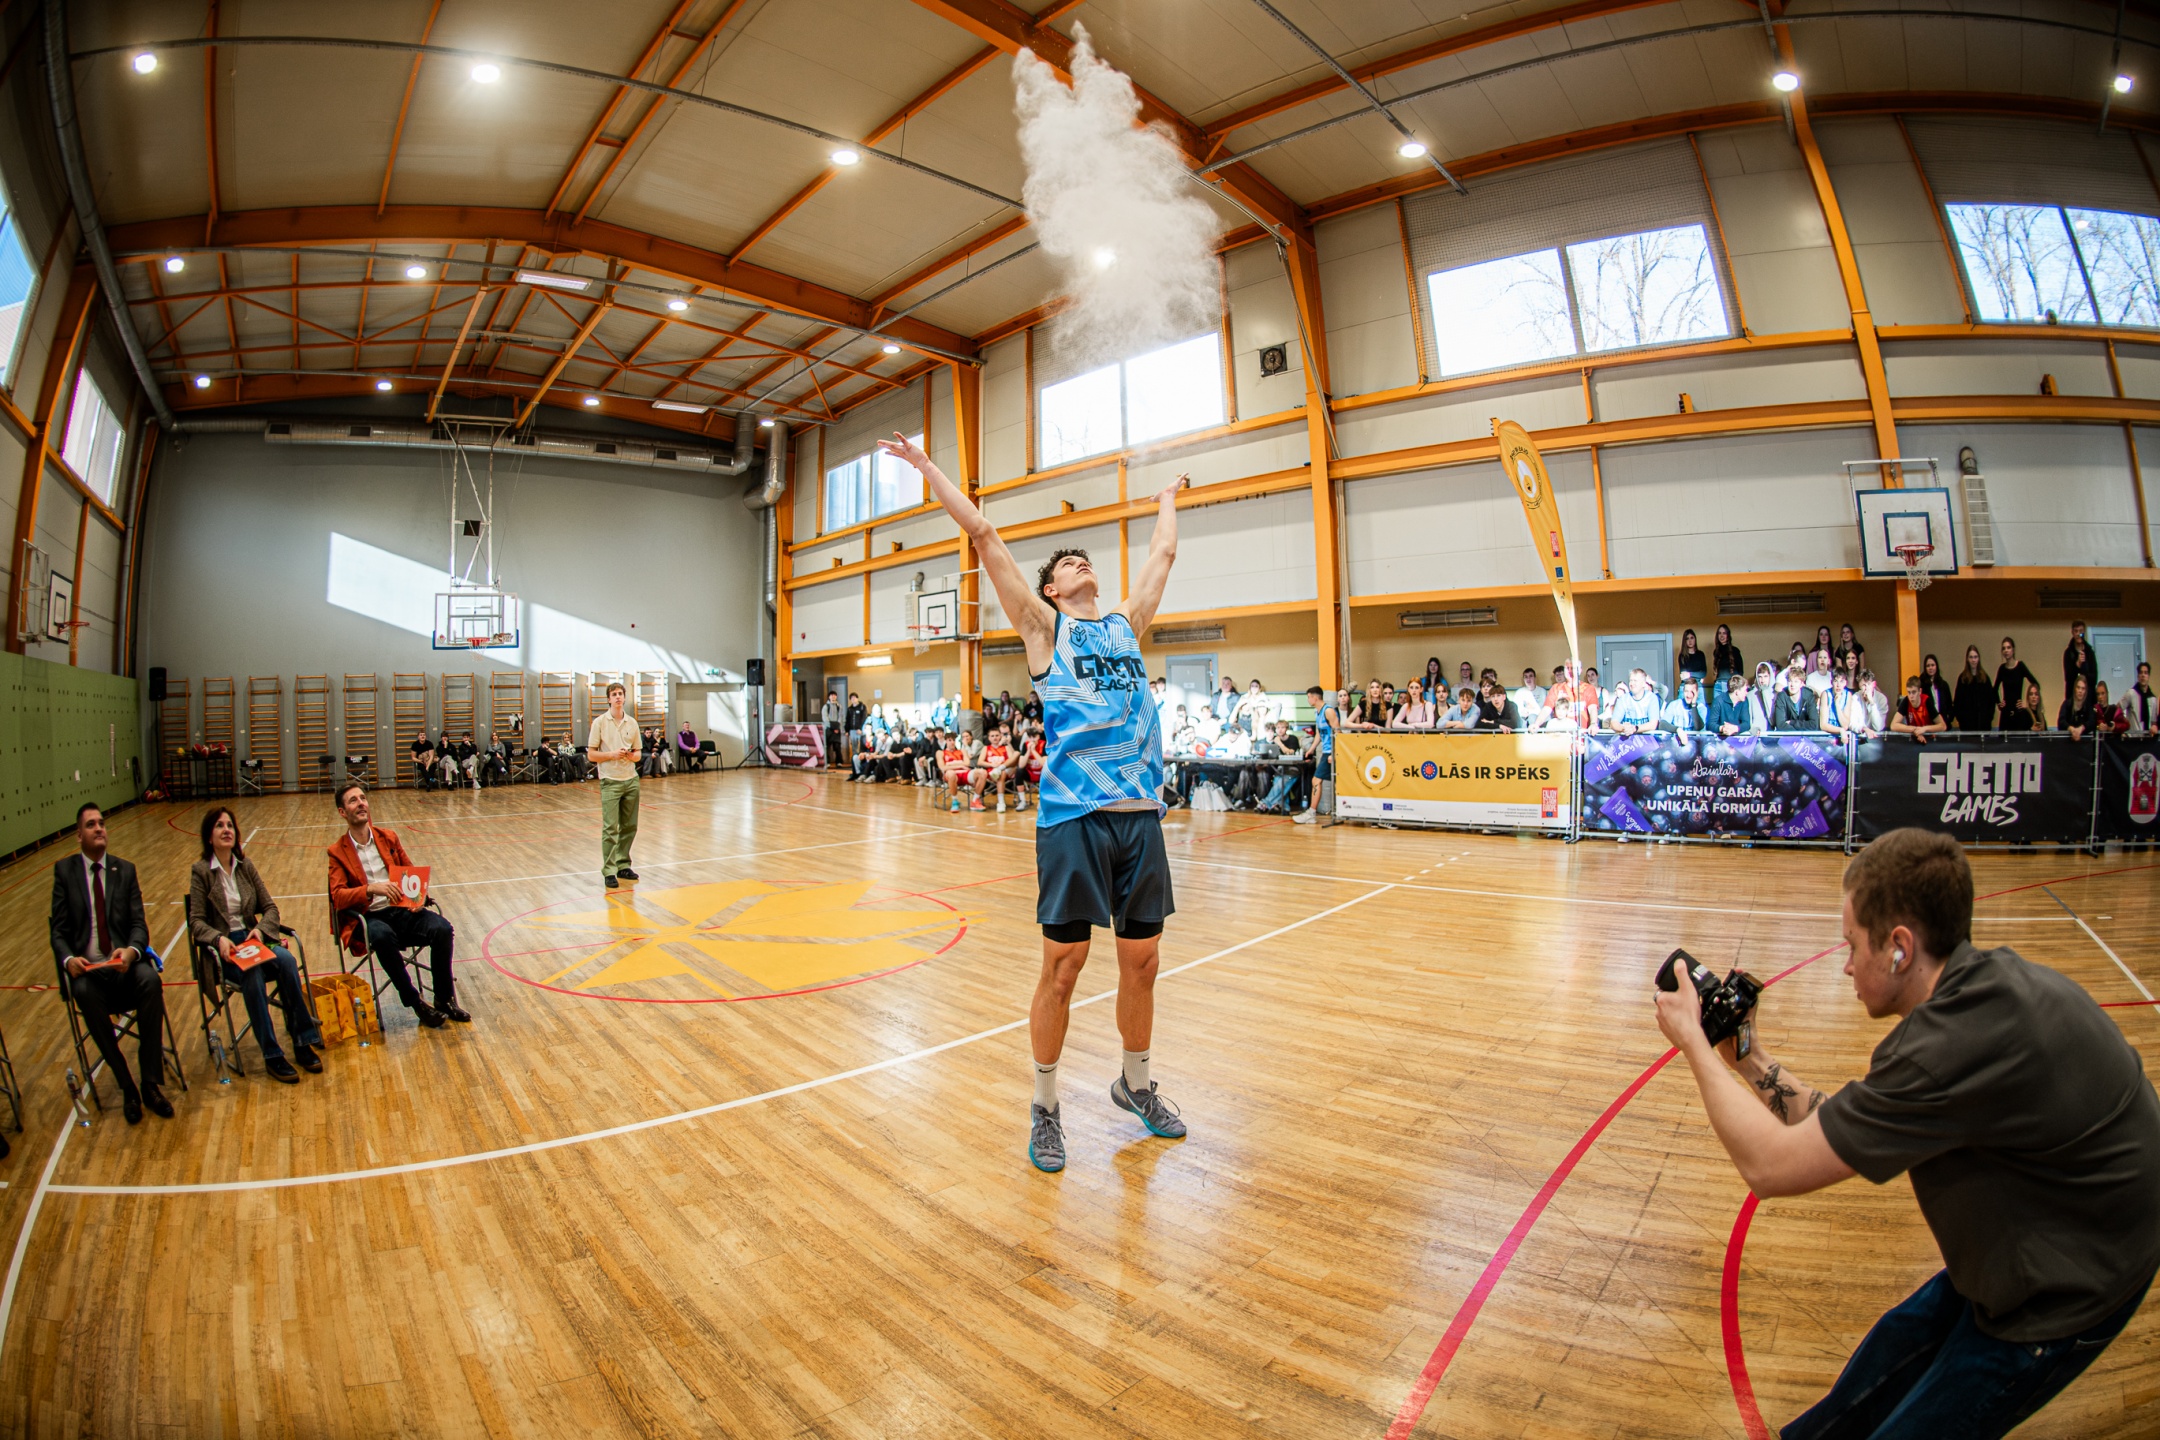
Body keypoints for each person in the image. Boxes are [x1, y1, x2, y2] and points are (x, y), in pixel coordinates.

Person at [1654, 829, 2160, 1438]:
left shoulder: (1945, 1049)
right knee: (1865, 1386)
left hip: (2069, 1290)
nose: (1846, 963)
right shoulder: (1983, 988)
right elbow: (1839, 1123)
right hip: (2042, 1236)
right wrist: (1749, 1058)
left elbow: (1771, 1167)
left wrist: (1693, 1043)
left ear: (1899, 947)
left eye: (1852, 944)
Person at [881, 431, 1187, 1174]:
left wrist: (1166, 501)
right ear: (1050, 590)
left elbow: (1163, 555)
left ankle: (1135, 1083)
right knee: (1064, 965)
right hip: (1074, 819)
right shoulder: (1046, 628)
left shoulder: (1124, 626)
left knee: (1143, 961)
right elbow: (984, 534)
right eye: (1065, 566)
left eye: (1084, 560)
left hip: (1138, 816)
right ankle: (1045, 1104)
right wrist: (926, 468)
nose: (1079, 564)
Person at [49, 803, 170, 1126]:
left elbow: (139, 925)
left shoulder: (125, 870)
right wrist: (68, 959)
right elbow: (58, 932)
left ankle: (149, 1083)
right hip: (89, 973)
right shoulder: (65, 872)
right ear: (79, 835)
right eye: (91, 824)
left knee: (151, 981)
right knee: (83, 993)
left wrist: (131, 952)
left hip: (123, 967)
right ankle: (127, 1085)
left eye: (101, 823)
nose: (99, 828)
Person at [189, 806, 321, 1083]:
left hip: (253, 940)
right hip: (226, 950)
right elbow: (196, 922)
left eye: (230, 825)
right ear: (209, 836)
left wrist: (260, 931)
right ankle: (272, 1054)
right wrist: (218, 939)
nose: (226, 830)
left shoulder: (245, 866)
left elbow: (270, 908)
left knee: (287, 961)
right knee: (252, 973)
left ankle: (302, 1040)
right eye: (219, 826)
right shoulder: (201, 871)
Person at [327, 782, 467, 1028]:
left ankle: (444, 999)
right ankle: (415, 1002)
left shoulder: (388, 837)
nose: (361, 803)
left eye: (363, 798)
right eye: (353, 800)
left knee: (442, 928)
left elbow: (412, 875)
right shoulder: (337, 851)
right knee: (382, 936)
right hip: (368, 917)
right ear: (342, 812)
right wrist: (371, 889)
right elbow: (338, 897)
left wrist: (418, 898)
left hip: (400, 911)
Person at [588, 681, 642, 890]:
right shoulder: (600, 722)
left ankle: (623, 865)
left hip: (630, 780)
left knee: (629, 826)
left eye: (620, 693)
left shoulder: (632, 723)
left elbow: (638, 754)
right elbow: (591, 754)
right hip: (610, 781)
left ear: (624, 697)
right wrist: (611, 754)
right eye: (614, 694)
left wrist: (630, 756)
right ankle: (609, 871)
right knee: (611, 828)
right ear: (609, 699)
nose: (618, 697)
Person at [1294, 684, 1340, 825]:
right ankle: (1312, 812)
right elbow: (1319, 733)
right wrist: (1312, 749)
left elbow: (1338, 732)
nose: (1308, 700)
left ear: (1315, 697)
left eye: (1309, 697)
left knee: (1316, 780)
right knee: (1318, 781)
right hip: (1325, 751)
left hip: (1331, 752)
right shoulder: (1317, 712)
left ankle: (1311, 813)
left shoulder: (1329, 711)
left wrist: (1334, 753)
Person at [1994, 638, 2039, 730]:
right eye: (2004, 648)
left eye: (2008, 647)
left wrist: (2026, 703)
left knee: (2019, 737)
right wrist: (1999, 703)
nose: (2006, 650)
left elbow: (2036, 684)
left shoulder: (2020, 666)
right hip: (2006, 714)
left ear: (2013, 650)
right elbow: (1994, 690)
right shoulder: (2002, 669)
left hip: (2019, 712)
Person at [1951, 646, 1994, 732]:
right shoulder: (1962, 679)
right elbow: (1957, 702)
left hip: (1983, 726)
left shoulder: (1985, 678)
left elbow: (1991, 701)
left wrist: (1989, 718)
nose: (1973, 660)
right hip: (1967, 727)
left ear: (1979, 658)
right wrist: (1961, 720)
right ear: (1967, 659)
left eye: (1975, 657)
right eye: (1971, 657)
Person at [1893, 674, 1946, 741]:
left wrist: (1924, 729)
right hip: (1914, 738)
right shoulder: (1906, 701)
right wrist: (1915, 730)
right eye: (1909, 692)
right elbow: (1893, 725)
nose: (1911, 696)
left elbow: (1943, 726)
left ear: (1920, 691)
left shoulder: (1927, 701)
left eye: (1914, 692)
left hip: (1929, 739)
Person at [1609, 670, 1659, 735]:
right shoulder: (1623, 699)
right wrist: (1624, 728)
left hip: (1647, 738)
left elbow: (1653, 724)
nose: (1632, 684)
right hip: (1627, 737)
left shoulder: (1652, 698)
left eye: (1635, 681)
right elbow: (1613, 723)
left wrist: (1635, 729)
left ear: (1643, 684)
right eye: (1631, 680)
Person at [1772, 666, 1820, 732]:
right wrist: (1796, 735)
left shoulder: (1809, 696)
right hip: (1788, 736)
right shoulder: (1781, 696)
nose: (1792, 685)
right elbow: (1780, 724)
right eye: (1790, 681)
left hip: (1806, 735)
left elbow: (1814, 724)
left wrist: (1792, 723)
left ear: (1801, 684)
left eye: (1796, 681)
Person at [1708, 670, 1754, 737]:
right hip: (1721, 738)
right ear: (1737, 692)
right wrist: (1722, 728)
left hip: (1738, 738)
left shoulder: (1744, 701)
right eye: (1745, 690)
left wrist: (1734, 728)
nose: (1746, 693)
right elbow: (1711, 724)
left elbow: (1747, 724)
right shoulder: (1718, 701)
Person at [2064, 620, 2099, 702]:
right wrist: (2077, 665)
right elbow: (2068, 678)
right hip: (2072, 698)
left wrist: (2084, 669)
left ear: (2084, 632)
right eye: (2076, 631)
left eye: (2080, 631)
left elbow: (2094, 678)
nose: (2078, 634)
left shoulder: (2090, 652)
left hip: (2089, 698)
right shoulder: (2068, 653)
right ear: (2072, 632)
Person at [2058, 674, 2097, 740]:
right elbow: (2061, 722)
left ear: (2086, 691)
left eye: (2083, 688)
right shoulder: (2067, 704)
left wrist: (2081, 728)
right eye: (2078, 687)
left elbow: (2092, 722)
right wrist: (2071, 729)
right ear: (2075, 689)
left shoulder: (2088, 706)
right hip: (2067, 742)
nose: (2080, 691)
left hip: (2084, 743)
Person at [1917, 653, 1952, 724]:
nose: (1930, 668)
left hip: (1943, 723)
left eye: (1933, 665)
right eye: (1928, 666)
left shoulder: (1944, 685)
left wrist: (1949, 719)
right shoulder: (1921, 685)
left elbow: (1949, 705)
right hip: (1927, 724)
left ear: (1936, 666)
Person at [2124, 661, 2157, 734]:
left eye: (2145, 673)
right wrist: (2124, 725)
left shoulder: (2153, 699)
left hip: (2148, 738)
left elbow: (2153, 722)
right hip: (2133, 737)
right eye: (2141, 673)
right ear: (2138, 676)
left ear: (2148, 676)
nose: (2143, 675)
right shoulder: (2131, 693)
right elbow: (2118, 709)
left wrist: (2154, 727)